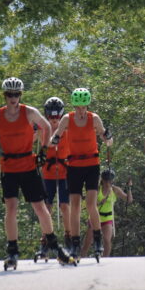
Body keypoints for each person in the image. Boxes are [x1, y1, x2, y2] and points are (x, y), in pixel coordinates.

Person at [0, 77, 69, 267]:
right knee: (11, 208)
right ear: (5, 95)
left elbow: (46, 127)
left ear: (20, 95)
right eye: (10, 94)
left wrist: (43, 150)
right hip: (9, 167)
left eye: (16, 94)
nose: (13, 98)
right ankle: (12, 251)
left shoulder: (29, 112)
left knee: (40, 207)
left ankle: (54, 246)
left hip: (28, 165)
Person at [49, 87, 112, 260]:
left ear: (87, 105)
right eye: (78, 107)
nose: (81, 110)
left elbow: (106, 138)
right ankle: (75, 243)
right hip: (74, 166)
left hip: (92, 165)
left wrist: (108, 138)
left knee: (91, 204)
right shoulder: (67, 119)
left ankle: (97, 240)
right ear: (74, 106)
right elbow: (55, 137)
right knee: (75, 205)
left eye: (84, 107)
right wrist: (55, 139)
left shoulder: (94, 118)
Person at [38, 96, 73, 249]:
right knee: (47, 206)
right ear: (47, 115)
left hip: (65, 171)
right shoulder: (42, 129)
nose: (54, 119)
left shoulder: (67, 128)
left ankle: (69, 235)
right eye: (51, 116)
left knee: (65, 205)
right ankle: (45, 237)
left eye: (57, 116)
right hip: (48, 172)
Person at [80, 168, 133, 257]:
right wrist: (100, 202)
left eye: (110, 180)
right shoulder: (97, 189)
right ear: (102, 180)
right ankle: (82, 258)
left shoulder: (115, 190)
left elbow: (129, 200)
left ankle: (105, 259)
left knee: (107, 240)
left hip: (107, 218)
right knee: (88, 242)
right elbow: (90, 204)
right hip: (95, 217)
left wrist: (129, 188)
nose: (108, 182)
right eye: (106, 180)